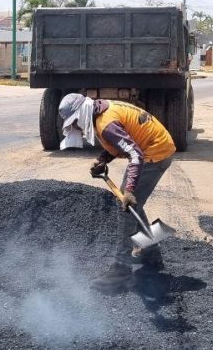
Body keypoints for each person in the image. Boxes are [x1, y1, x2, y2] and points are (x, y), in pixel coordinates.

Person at [58, 93, 176, 293]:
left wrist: (129, 190)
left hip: (156, 153)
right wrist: (103, 159)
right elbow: (121, 141)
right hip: (157, 146)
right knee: (133, 205)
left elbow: (135, 154)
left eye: (75, 122)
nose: (76, 127)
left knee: (126, 206)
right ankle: (152, 254)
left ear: (82, 113)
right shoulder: (102, 111)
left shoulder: (106, 123)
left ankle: (121, 270)